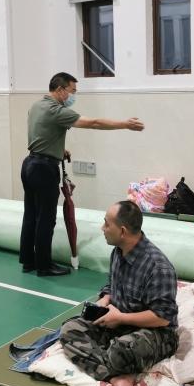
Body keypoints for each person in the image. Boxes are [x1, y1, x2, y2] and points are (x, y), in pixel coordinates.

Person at [20, 72, 145, 276]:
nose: (73, 96)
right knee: (46, 219)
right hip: (44, 169)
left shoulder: (36, 106)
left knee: (31, 214)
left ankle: (28, 261)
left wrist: (58, 150)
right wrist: (125, 124)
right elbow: (94, 123)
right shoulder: (56, 110)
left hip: (30, 164)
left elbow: (41, 132)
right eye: (72, 91)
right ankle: (43, 265)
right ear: (60, 89)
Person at [59, 200, 179, 386]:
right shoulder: (118, 251)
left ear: (122, 231)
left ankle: (113, 364)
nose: (102, 228)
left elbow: (162, 318)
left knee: (120, 350)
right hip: (119, 322)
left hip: (155, 332)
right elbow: (111, 285)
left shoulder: (158, 267)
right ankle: (116, 376)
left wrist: (121, 318)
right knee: (69, 330)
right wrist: (105, 300)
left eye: (107, 224)